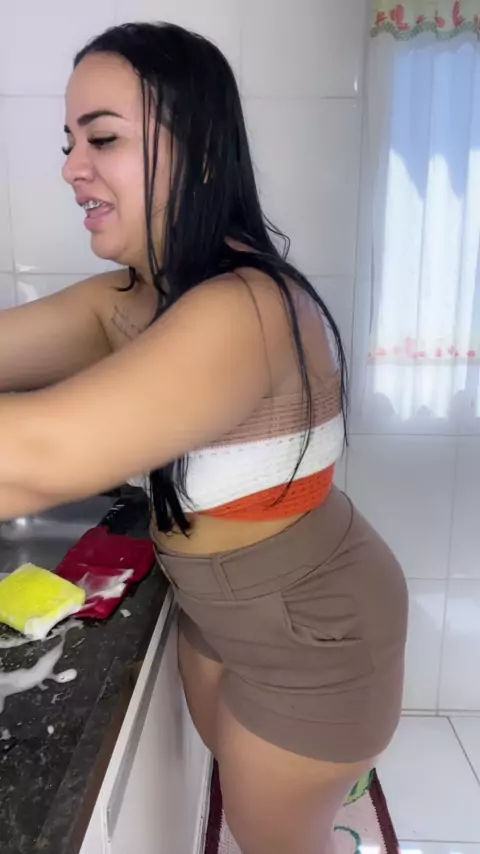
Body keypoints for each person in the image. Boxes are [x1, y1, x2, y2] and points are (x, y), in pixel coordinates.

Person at [0, 22, 408, 854]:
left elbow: (31, 461)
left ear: (204, 151)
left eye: (103, 138)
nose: (71, 167)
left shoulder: (241, 308)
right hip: (216, 609)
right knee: (244, 791)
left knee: (274, 839)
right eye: (70, 143)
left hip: (314, 634)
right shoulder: (135, 297)